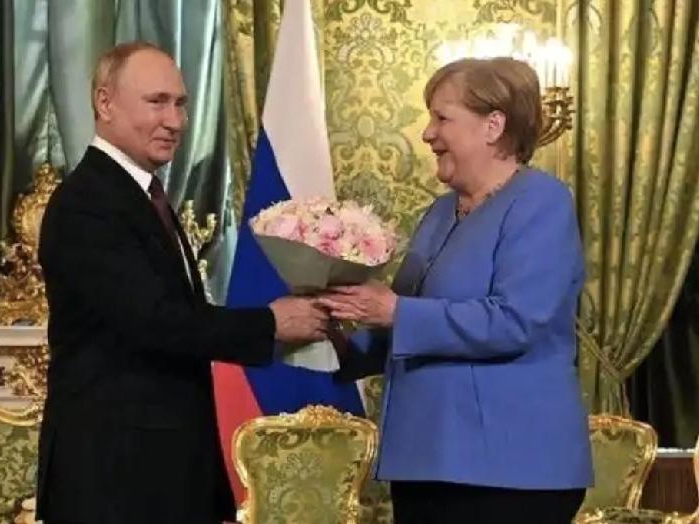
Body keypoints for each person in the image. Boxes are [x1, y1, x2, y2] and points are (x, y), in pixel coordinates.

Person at [36, 41, 328, 524]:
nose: (174, 121)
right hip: (115, 479)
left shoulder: (139, 194)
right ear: (104, 103)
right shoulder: (86, 202)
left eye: (180, 104)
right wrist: (270, 323)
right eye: (157, 102)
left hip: (157, 472)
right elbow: (156, 321)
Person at [321, 57, 593, 524]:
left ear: (493, 126)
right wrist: (339, 331)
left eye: (442, 118)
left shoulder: (541, 201)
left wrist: (395, 312)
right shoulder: (439, 213)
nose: (427, 133)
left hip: (510, 469)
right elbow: (407, 325)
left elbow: (516, 321)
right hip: (427, 459)